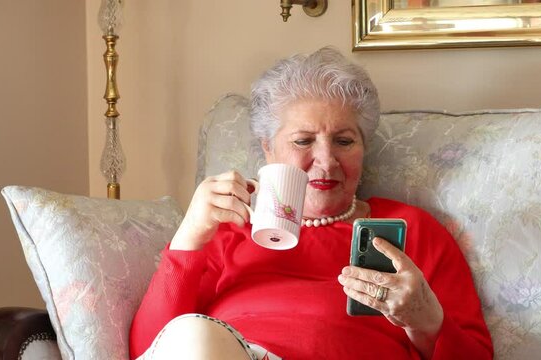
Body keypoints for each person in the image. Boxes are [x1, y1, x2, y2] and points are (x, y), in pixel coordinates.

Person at [129, 47, 492, 359]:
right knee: (195, 336)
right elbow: (150, 349)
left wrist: (425, 318)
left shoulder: (412, 229)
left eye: (344, 141)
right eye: (303, 141)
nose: (327, 160)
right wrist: (189, 238)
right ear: (267, 149)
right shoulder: (226, 227)